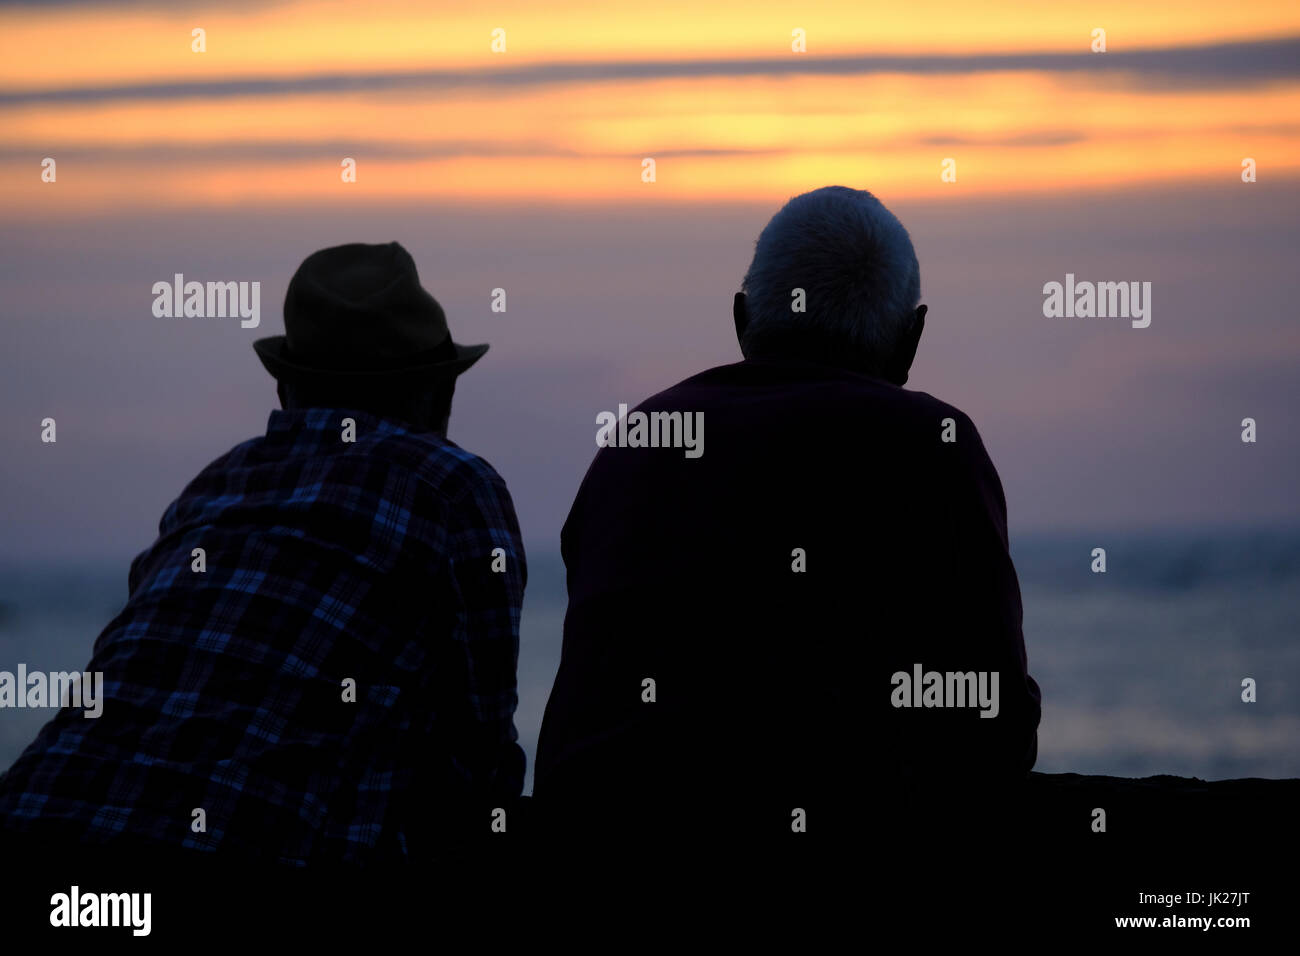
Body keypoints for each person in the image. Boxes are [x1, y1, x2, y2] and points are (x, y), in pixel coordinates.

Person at [533, 186, 1042, 847]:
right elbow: (992, 721)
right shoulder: (930, 444)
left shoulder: (642, 438)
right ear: (912, 338)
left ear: (742, 320)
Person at [0, 242, 526, 865]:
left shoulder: (216, 485)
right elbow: (479, 753)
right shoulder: (452, 486)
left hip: (34, 819)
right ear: (435, 395)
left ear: (284, 388)